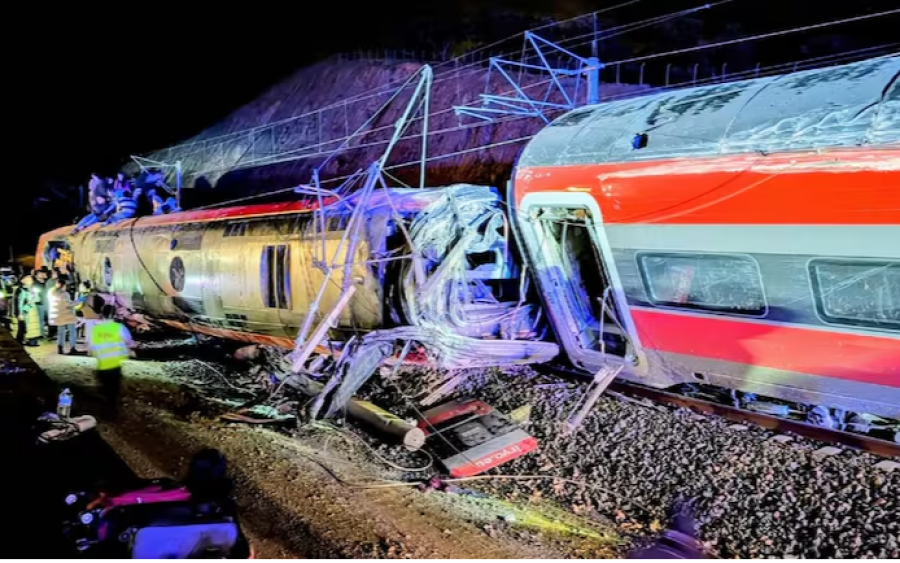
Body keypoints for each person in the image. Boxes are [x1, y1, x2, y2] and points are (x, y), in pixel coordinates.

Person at [86, 304, 134, 414]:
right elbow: (130, 342)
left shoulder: (96, 329)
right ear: (115, 315)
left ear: (102, 314)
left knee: (105, 389)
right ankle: (112, 410)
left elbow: (90, 347)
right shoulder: (119, 327)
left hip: (102, 365)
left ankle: (106, 406)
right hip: (115, 365)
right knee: (113, 391)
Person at [48, 275, 78, 354]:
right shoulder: (64, 294)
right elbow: (69, 304)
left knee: (60, 332)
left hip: (57, 316)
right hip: (67, 315)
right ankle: (72, 348)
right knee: (72, 331)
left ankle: (60, 348)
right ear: (63, 285)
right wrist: (79, 301)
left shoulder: (51, 292)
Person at [17, 275, 42, 346]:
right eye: (28, 278)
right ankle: (28, 339)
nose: (30, 279)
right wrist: (20, 313)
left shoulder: (33, 289)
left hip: (34, 309)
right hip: (27, 310)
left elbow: (38, 299)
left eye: (31, 278)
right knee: (29, 325)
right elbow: (20, 303)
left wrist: (35, 296)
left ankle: (34, 340)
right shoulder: (23, 290)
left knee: (35, 325)